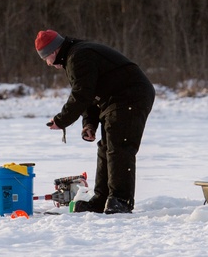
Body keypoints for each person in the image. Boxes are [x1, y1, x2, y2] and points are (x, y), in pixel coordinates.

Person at [36, 29, 155, 214]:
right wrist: (89, 124)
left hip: (131, 95)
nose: (48, 64)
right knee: (105, 148)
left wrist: (62, 120)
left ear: (52, 52)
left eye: (45, 59)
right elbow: (89, 94)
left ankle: (120, 200)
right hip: (115, 99)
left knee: (119, 146)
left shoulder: (78, 56)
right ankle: (101, 199)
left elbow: (81, 95)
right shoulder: (74, 56)